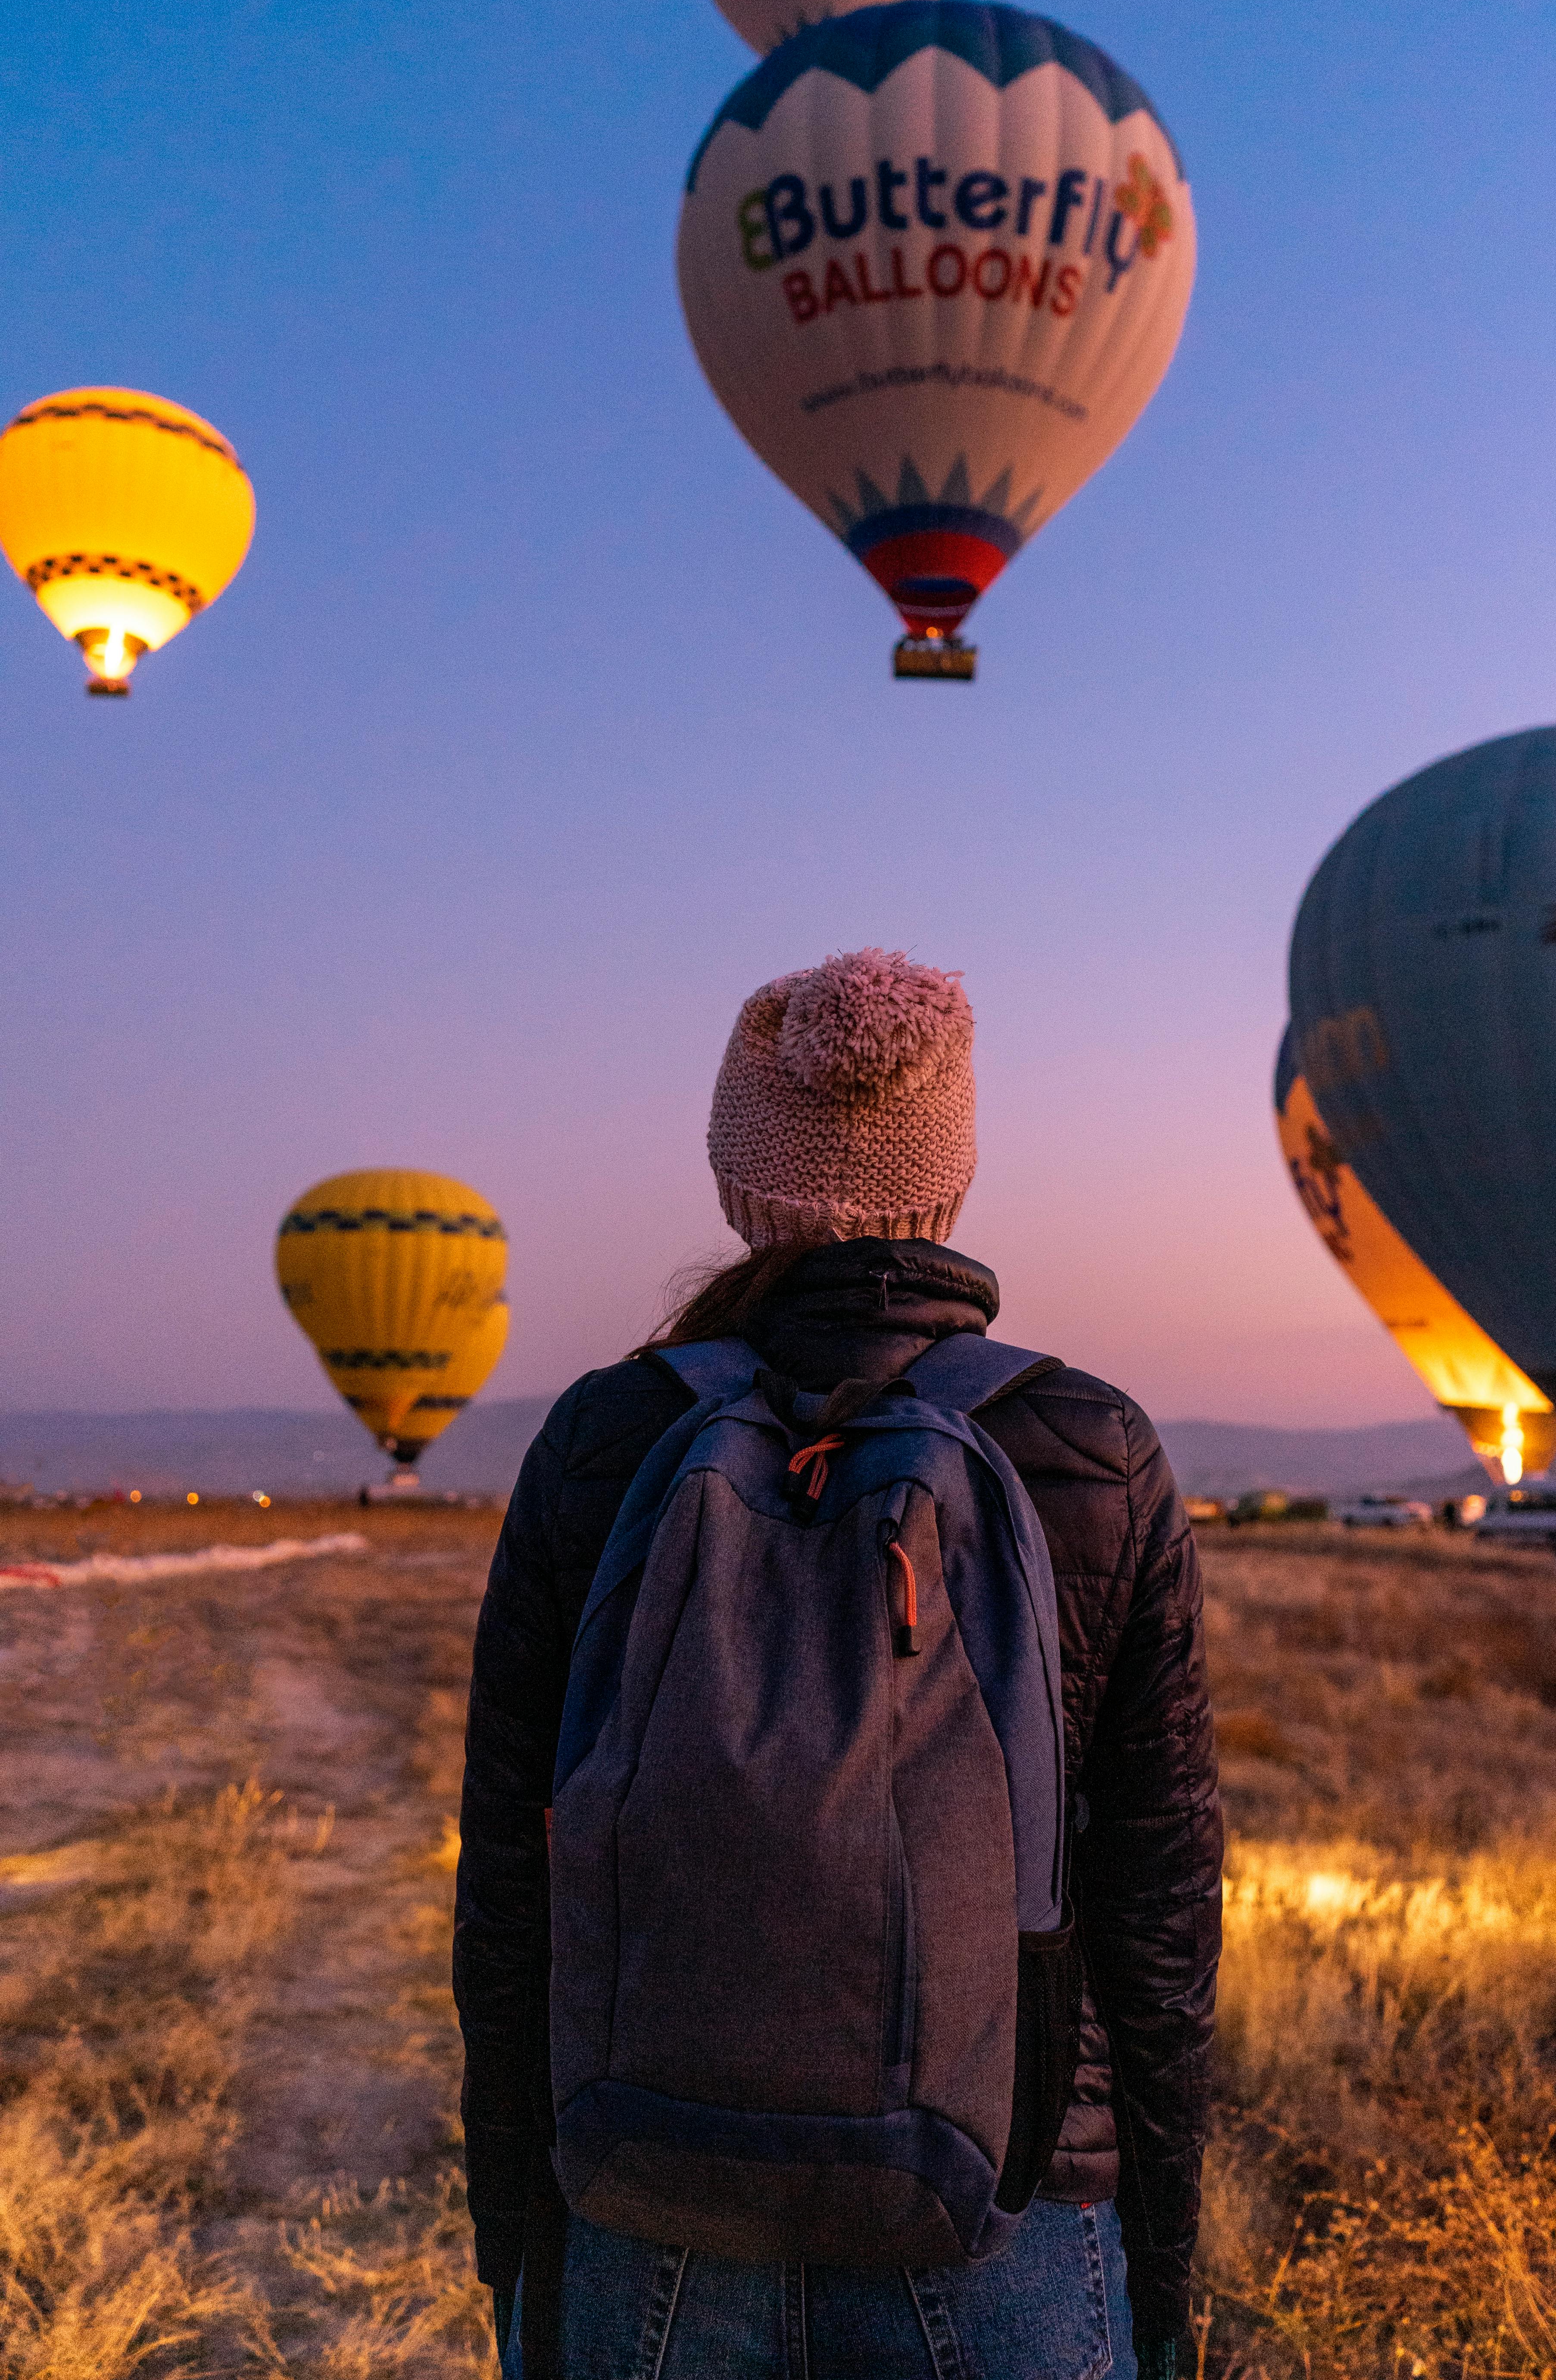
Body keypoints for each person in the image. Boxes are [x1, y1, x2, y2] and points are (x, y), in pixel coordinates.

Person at [455, 948, 1223, 2380]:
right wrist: (1162, 2264)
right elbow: (1163, 1922)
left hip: (643, 2193)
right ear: (954, 1183)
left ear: (740, 1190)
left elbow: (512, 1878)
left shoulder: (604, 1439)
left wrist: (520, 2227)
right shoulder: (1093, 1450)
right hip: (1009, 2207)